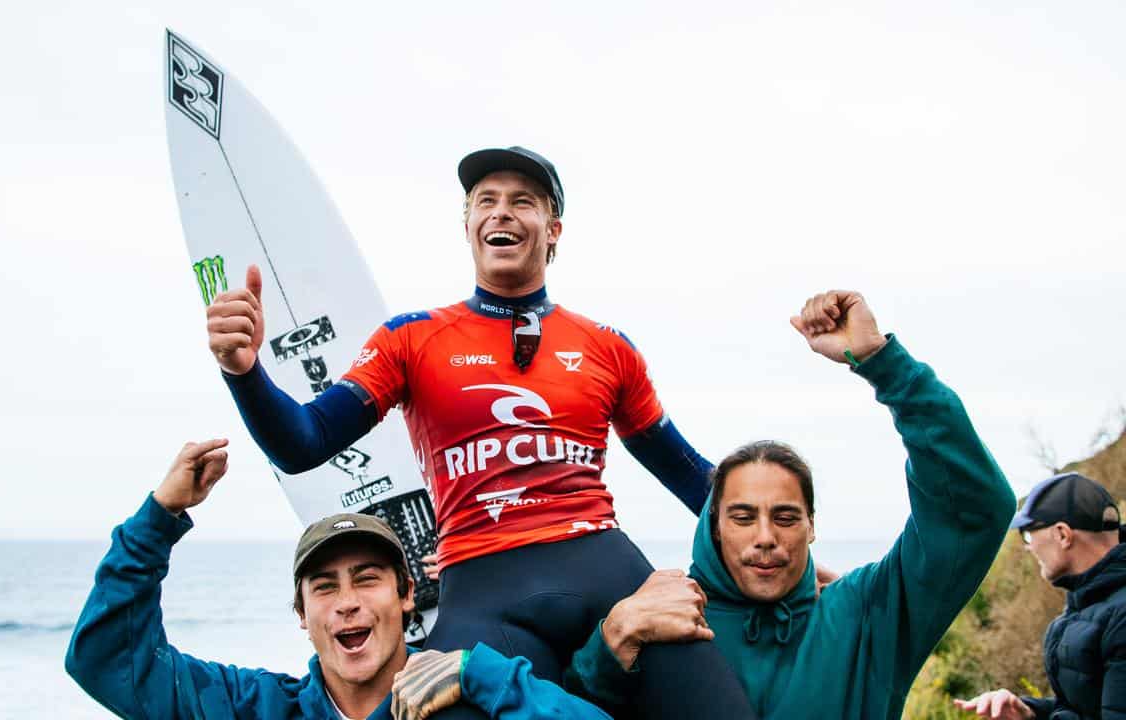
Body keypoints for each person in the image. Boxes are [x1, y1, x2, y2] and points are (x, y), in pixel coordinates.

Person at [206, 146, 755, 718]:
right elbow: (303, 443)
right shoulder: (411, 339)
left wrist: (779, 556)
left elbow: (693, 478)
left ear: (553, 230)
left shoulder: (608, 347)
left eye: (524, 202)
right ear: (466, 226)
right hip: (484, 590)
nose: (502, 213)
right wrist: (244, 372)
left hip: (606, 570)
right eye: (485, 202)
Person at [564, 290, 1017, 719]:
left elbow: (973, 510)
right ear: (715, 524)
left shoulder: (866, 617)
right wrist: (609, 644)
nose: (765, 538)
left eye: (785, 517)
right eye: (743, 517)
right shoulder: (653, 622)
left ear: (811, 527)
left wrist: (885, 365)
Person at [64, 438, 615, 720]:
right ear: (303, 617)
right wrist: (158, 519)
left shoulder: (474, 697)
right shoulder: (260, 707)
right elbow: (107, 661)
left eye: (366, 578)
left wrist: (482, 675)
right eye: (324, 587)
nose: (347, 603)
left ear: (405, 596)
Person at [954, 472, 1126, 720]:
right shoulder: (1089, 604)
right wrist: (1030, 713)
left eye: (1027, 533)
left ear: (1062, 534)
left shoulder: (1119, 617)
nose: (1028, 546)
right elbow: (1086, 708)